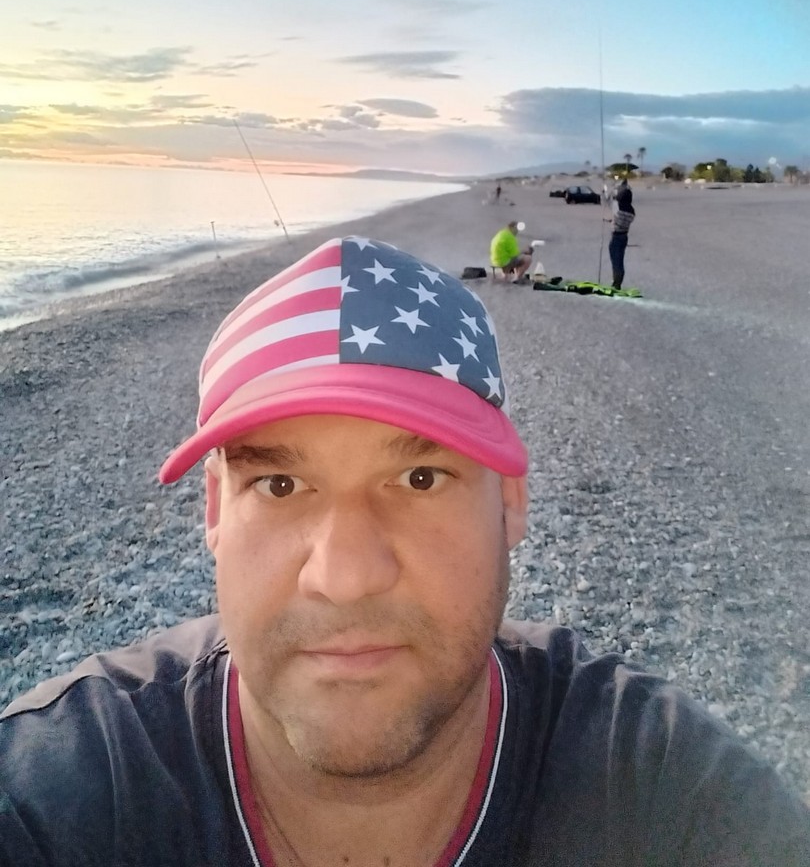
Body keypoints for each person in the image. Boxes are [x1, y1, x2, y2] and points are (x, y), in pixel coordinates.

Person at [1, 236, 808, 867]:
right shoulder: (64, 792)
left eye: (420, 478)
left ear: (510, 502)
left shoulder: (662, 787)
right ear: (214, 509)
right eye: (280, 485)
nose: (347, 578)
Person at [609, 182, 635, 289]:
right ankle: (618, 282)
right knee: (619, 260)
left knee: (616, 261)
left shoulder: (618, 207)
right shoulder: (631, 210)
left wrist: (609, 193)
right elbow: (620, 220)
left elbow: (610, 202)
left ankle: (616, 283)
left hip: (616, 236)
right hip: (624, 236)